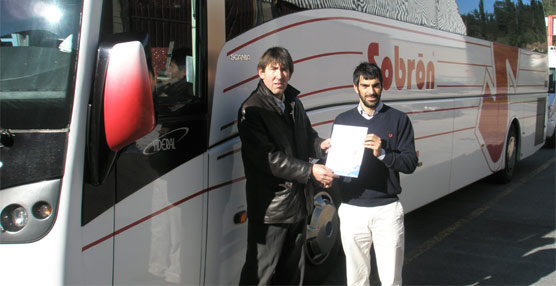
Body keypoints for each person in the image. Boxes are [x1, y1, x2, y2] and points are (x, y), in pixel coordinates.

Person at [237, 46, 337, 285]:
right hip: (273, 209)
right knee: (259, 273)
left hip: (298, 204)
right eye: (273, 69)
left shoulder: (293, 103)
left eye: (284, 69)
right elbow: (268, 158)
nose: (279, 75)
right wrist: (310, 171)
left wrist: (321, 144)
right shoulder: (252, 110)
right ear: (260, 72)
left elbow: (306, 135)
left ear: (290, 74)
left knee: (292, 274)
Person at [332, 62, 418, 286]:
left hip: (387, 211)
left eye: (376, 85)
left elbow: (409, 163)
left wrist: (383, 153)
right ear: (355, 87)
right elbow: (337, 166)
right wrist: (326, 166)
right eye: (365, 85)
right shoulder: (342, 121)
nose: (371, 91)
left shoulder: (399, 120)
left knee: (390, 280)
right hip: (351, 210)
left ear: (382, 86)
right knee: (356, 279)